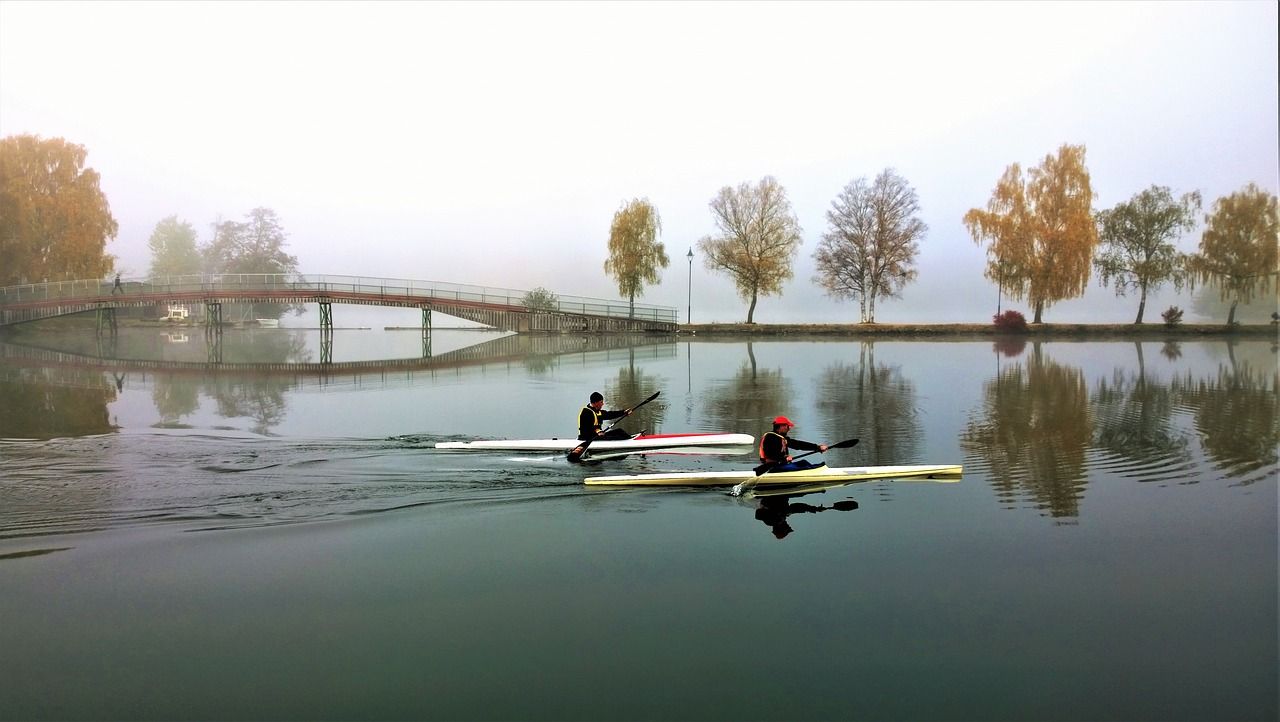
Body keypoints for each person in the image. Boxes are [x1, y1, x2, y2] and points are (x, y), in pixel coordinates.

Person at [758, 416, 827, 472]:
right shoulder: (770, 437)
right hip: (772, 467)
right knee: (803, 466)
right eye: (787, 426)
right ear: (781, 426)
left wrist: (817, 447)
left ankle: (816, 469)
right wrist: (784, 458)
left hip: (781, 465)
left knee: (803, 462)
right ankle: (815, 471)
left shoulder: (782, 438)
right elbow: (770, 454)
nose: (789, 429)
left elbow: (798, 444)